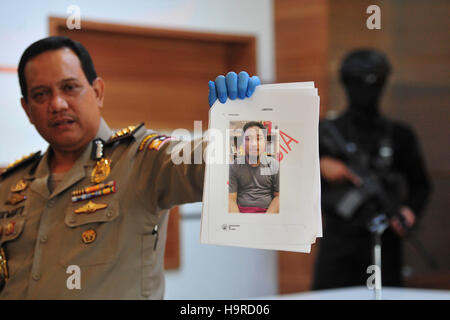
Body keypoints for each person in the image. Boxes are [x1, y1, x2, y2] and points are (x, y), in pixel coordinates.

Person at [0, 36, 260, 299]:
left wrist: (243, 124)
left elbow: (205, 162)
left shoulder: (141, 159)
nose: (57, 104)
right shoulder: (9, 185)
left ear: (98, 92)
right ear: (27, 109)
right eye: (41, 94)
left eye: (69, 87)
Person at [312, 49, 432, 289]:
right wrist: (319, 164)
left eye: (375, 83)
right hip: (338, 244)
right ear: (346, 84)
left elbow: (421, 184)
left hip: (383, 244)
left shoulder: (400, 135)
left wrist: (410, 211)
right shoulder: (324, 132)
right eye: (359, 83)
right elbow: (290, 175)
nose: (367, 91)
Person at [228, 121, 280, 214]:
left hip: (267, 211)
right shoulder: (234, 166)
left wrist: (267, 218)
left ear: (265, 142)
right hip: (241, 211)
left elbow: (278, 196)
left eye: (258, 138)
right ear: (242, 143)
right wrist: (237, 220)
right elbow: (231, 198)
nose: (254, 144)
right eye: (248, 139)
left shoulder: (274, 165)